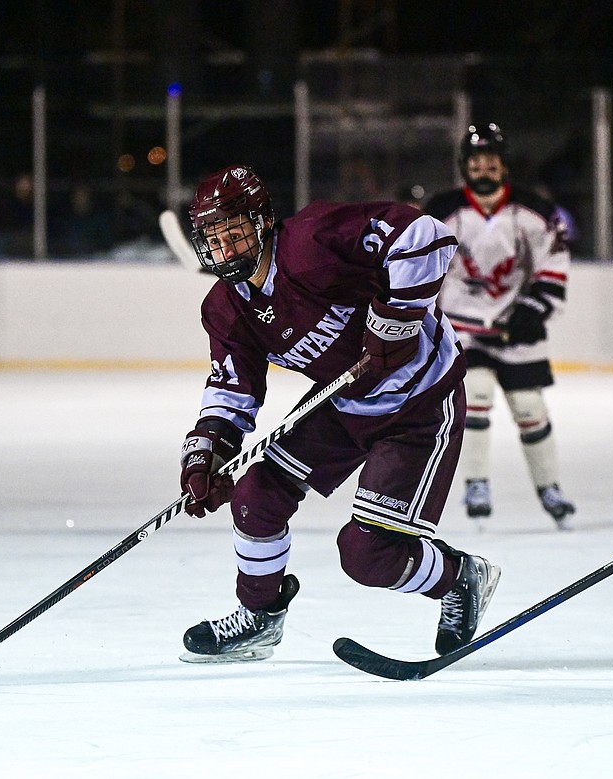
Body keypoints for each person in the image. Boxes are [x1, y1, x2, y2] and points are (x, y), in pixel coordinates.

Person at [176, 164, 500, 662]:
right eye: (212, 238)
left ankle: (460, 579)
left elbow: (424, 235)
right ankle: (260, 617)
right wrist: (207, 452)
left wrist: (397, 321)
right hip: (342, 402)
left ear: (262, 221)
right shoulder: (224, 307)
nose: (222, 249)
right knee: (255, 495)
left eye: (232, 232)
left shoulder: (313, 240)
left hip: (419, 401)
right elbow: (230, 386)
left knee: (367, 555)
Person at [423, 123, 576, 529]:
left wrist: (533, 310)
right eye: (476, 162)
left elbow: (553, 264)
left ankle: (550, 487)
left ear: (504, 165)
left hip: (516, 326)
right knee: (474, 396)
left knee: (530, 408)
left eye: (491, 161)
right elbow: (419, 264)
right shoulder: (441, 212)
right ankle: (476, 484)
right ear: (464, 167)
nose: (484, 169)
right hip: (463, 328)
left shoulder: (534, 211)